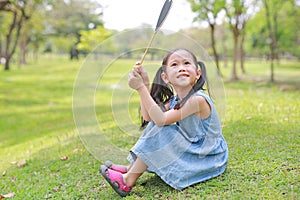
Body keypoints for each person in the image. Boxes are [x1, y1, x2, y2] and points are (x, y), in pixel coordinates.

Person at [100, 48, 228, 197]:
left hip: (207, 157)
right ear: (165, 77)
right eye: (174, 65)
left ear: (197, 74)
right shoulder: (175, 100)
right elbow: (149, 117)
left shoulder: (197, 100)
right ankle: (131, 169)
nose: (181, 68)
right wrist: (145, 85)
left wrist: (140, 87)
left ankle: (127, 181)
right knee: (157, 125)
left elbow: (161, 120)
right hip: (193, 148)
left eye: (186, 63)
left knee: (161, 128)